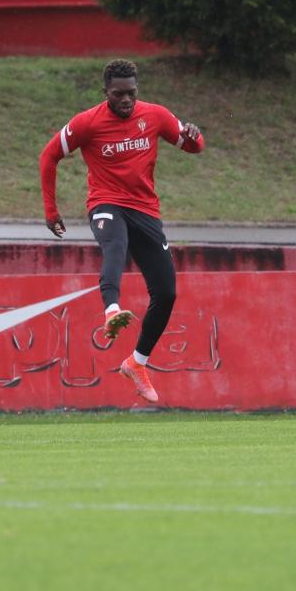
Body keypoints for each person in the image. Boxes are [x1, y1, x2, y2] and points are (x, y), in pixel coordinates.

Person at [39, 59, 204, 404]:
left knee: (167, 292)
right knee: (116, 245)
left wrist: (194, 137)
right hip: (106, 204)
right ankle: (112, 310)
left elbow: (193, 146)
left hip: (145, 210)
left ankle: (136, 362)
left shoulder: (155, 115)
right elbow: (49, 156)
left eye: (131, 93)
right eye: (118, 94)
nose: (126, 100)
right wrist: (51, 210)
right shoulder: (88, 122)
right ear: (106, 93)